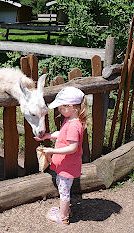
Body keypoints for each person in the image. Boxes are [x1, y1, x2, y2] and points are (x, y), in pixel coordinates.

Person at [34, 86, 87, 225]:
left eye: (61, 107)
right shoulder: (69, 120)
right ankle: (65, 210)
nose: (59, 110)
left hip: (67, 166)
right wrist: (47, 136)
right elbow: (62, 134)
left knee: (64, 192)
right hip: (64, 165)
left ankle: (63, 217)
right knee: (62, 186)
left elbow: (72, 148)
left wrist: (52, 151)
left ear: (71, 107)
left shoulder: (74, 126)